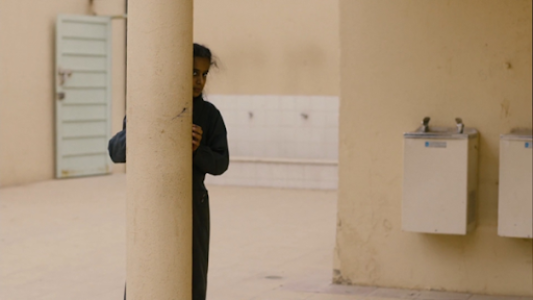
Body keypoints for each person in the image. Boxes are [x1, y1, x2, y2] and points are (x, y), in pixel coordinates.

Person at [108, 43, 229, 300]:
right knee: (146, 269)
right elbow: (115, 152)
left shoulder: (209, 115)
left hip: (194, 207)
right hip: (154, 205)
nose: (199, 81)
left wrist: (198, 149)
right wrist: (143, 129)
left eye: (204, 74)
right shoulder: (149, 107)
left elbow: (221, 163)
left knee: (193, 276)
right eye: (193, 73)